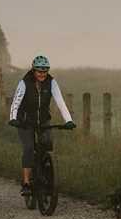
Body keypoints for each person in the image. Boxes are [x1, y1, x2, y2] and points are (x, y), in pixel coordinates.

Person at [8, 55, 75, 197]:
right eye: (39, 71)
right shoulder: (24, 83)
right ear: (33, 70)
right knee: (29, 148)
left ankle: (47, 177)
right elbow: (16, 102)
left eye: (45, 71)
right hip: (25, 122)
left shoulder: (51, 83)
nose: (42, 74)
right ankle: (26, 183)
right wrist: (13, 118)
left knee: (47, 145)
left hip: (43, 121)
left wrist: (68, 120)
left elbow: (60, 102)